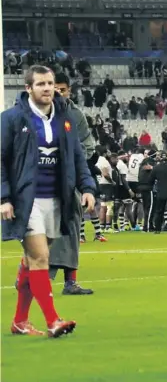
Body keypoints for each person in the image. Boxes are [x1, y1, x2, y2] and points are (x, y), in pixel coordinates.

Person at [2, 65, 96, 337]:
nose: (47, 88)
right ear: (28, 88)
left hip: (57, 199)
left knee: (33, 260)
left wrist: (87, 187)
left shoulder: (65, 118)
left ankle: (20, 321)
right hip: (25, 200)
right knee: (42, 256)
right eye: (40, 84)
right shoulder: (10, 119)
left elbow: (77, 157)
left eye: (50, 83)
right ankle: (53, 320)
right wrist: (4, 197)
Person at [47, 73, 96, 295]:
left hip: (69, 182)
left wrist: (74, 165)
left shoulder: (76, 116)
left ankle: (70, 282)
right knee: (40, 232)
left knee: (72, 228)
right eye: (53, 87)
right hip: (43, 182)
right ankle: (33, 277)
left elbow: (87, 146)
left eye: (62, 89)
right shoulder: (34, 115)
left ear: (69, 91)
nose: (58, 93)